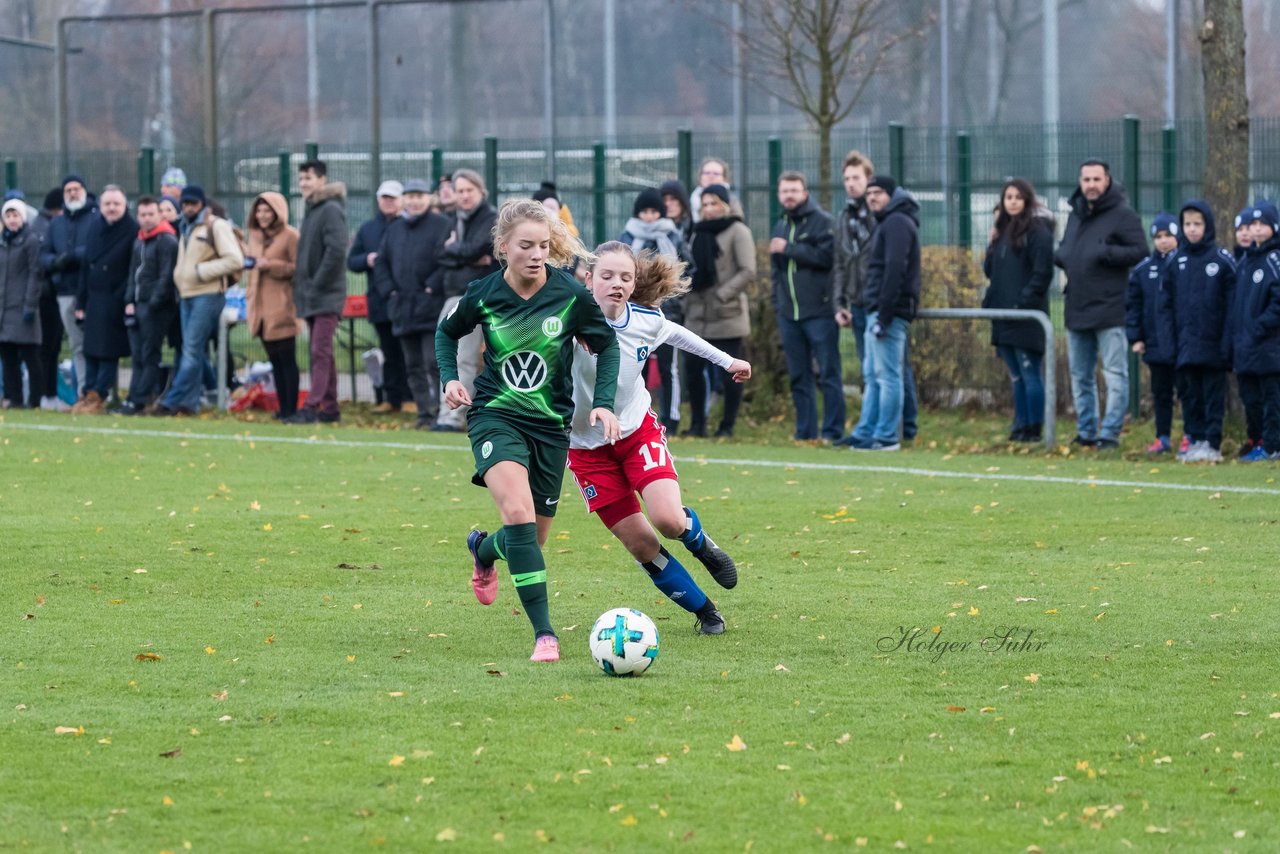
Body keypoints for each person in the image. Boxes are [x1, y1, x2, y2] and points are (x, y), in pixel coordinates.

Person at [437, 199, 620, 663]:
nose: (537, 254)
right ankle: (545, 635)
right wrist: (450, 378)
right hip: (495, 415)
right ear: (503, 247)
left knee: (529, 540)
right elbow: (447, 332)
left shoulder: (570, 295)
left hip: (551, 427)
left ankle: (484, 549)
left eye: (544, 245)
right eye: (526, 245)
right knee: (517, 513)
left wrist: (601, 403)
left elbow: (607, 345)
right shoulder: (482, 293)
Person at [567, 243, 750, 635]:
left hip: (635, 433)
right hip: (586, 451)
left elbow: (681, 337)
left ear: (634, 284)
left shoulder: (645, 320)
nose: (616, 284)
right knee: (642, 545)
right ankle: (707, 612)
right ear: (588, 279)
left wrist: (728, 361)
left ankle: (699, 541)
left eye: (625, 277)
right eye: (607, 276)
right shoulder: (566, 321)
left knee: (668, 520)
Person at [1055, 159, 1147, 449]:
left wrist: (1105, 252)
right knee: (1080, 376)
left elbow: (1140, 251)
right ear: (1080, 182)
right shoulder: (1075, 215)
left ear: (1107, 181)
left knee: (1115, 374)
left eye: (1097, 179)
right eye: (1086, 180)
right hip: (1077, 307)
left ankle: (1109, 433)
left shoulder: (1123, 215)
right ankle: (1086, 432)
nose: (1091, 185)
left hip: (1110, 309)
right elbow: (1070, 249)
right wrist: (1063, 255)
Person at [151, 185, 243, 416]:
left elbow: (234, 260)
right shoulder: (186, 226)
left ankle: (171, 400)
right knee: (192, 349)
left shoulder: (216, 226)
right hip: (188, 295)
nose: (188, 208)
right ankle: (188, 403)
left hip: (208, 294)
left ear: (202, 204)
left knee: (191, 349)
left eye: (193, 203)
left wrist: (201, 271)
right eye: (185, 203)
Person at [844, 176, 920, 451]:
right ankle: (866, 432)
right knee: (873, 375)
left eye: (878, 193)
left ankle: (887, 436)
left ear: (891, 195)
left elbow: (894, 269)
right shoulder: (887, 222)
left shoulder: (897, 222)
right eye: (870, 193)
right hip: (876, 308)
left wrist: (885, 315)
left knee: (887, 375)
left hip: (888, 311)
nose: (872, 197)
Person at [770, 170, 844, 442]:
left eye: (794, 190)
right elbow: (776, 272)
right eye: (784, 191)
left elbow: (828, 257)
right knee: (799, 376)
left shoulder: (823, 222)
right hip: (789, 315)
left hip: (820, 312)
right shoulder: (780, 225)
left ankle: (834, 433)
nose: (789, 195)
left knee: (829, 374)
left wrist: (789, 249)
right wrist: (777, 304)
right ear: (779, 195)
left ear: (805, 193)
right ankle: (805, 433)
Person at [983, 178, 1055, 442]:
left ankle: (1035, 429)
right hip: (1002, 315)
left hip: (1025, 316)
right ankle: (1020, 425)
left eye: (1017, 197)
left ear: (1027, 200)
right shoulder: (1002, 232)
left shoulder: (1038, 232)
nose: (1012, 201)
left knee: (1029, 371)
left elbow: (1042, 273)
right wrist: (991, 245)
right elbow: (990, 271)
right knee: (1016, 376)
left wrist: (1022, 303)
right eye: (1008, 197)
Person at [1165, 201, 1237, 463]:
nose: (1192, 229)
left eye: (1197, 224)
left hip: (1214, 347)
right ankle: (1194, 440)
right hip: (1184, 347)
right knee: (1190, 395)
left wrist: (1227, 343)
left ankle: (1213, 442)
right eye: (1187, 224)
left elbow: (1232, 308)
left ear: (1207, 226)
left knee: (1213, 396)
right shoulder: (1175, 262)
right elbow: (1165, 305)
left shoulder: (1223, 261)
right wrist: (1169, 343)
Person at [378, 179, 451, 429]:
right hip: (403, 308)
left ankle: (445, 413)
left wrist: (433, 286)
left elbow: (448, 260)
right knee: (413, 366)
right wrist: (390, 291)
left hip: (431, 307)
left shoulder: (442, 225)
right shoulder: (395, 228)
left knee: (434, 363)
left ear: (428, 198)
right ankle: (424, 413)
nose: (414, 200)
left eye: (419, 195)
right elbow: (382, 263)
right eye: (410, 196)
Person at [620, 187, 693, 434]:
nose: (649, 216)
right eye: (644, 211)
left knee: (668, 368)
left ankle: (671, 420)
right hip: (630, 313)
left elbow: (687, 269)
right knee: (631, 366)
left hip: (667, 312)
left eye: (654, 211)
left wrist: (668, 295)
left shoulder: (672, 237)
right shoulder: (627, 237)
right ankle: (632, 418)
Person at [684, 184, 754, 437]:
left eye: (714, 203)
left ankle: (727, 426)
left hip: (727, 314)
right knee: (692, 369)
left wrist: (722, 295)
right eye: (705, 204)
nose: (709, 209)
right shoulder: (694, 231)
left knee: (730, 372)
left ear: (725, 205)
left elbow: (748, 271)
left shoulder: (738, 231)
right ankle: (698, 424)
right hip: (697, 314)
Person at [433, 168, 499, 432]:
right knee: (453, 355)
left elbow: (480, 249)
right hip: (457, 294)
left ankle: (453, 416)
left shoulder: (490, 218)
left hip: (476, 296)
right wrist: (464, 256)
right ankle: (451, 413)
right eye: (459, 191)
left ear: (480, 191)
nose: (464, 196)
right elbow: (439, 254)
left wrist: (457, 251)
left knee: (466, 357)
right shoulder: (454, 219)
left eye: (468, 190)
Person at [288, 159, 348, 425]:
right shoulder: (313, 210)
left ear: (322, 179)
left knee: (319, 352)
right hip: (313, 294)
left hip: (325, 295)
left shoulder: (330, 209)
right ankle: (330, 408)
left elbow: (336, 251)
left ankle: (312, 406)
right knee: (323, 352)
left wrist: (316, 284)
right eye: (301, 179)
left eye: (309, 178)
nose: (304, 184)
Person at [348, 180, 411, 414]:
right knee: (389, 351)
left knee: (409, 351)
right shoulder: (367, 229)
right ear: (378, 200)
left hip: (407, 300)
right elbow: (352, 261)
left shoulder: (408, 225)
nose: (388, 202)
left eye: (392, 198)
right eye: (384, 197)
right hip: (379, 300)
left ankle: (410, 398)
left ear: (401, 200)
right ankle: (391, 399)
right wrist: (368, 259)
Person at [72, 185, 136, 414]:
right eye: (107, 204)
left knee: (109, 351)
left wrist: (122, 297)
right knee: (91, 349)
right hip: (94, 298)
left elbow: (132, 268)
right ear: (100, 206)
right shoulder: (95, 228)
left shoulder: (132, 230)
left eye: (116, 204)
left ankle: (99, 394)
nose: (111, 208)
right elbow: (85, 267)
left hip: (115, 299)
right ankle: (88, 392)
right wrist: (81, 302)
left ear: (124, 205)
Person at [1227, 203, 1280, 462]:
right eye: (1252, 225)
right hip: (1246, 347)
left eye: (1262, 225)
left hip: (1269, 347)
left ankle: (1272, 446)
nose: (1256, 230)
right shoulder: (1246, 261)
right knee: (1251, 398)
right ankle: (1256, 440)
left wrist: (1260, 327)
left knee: (1272, 398)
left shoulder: (1274, 260)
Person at [1124, 213, 1180, 453]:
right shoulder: (1142, 270)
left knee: (1189, 393)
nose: (1164, 241)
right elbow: (1133, 306)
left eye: (1168, 235)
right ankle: (1163, 438)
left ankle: (1193, 437)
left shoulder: (1185, 264)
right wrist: (1136, 337)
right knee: (1161, 393)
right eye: (1158, 236)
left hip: (1182, 344)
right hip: (1155, 344)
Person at [244, 191, 301, 421]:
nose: (262, 215)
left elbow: (298, 268)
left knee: (287, 359)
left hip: (282, 305)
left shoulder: (290, 236)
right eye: (259, 210)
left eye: (267, 210)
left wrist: (271, 265)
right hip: (260, 307)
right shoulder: (255, 236)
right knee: (274, 360)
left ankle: (292, 409)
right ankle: (282, 408)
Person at [121, 195, 179, 414]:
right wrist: (129, 300)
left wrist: (154, 302)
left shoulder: (167, 240)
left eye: (150, 214)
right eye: (142, 215)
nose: (146, 219)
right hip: (137, 304)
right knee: (137, 353)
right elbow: (132, 273)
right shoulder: (138, 240)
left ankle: (141, 398)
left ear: (159, 215)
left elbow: (166, 276)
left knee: (149, 353)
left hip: (156, 307)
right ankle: (132, 396)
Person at [39, 175, 97, 393]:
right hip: (64, 291)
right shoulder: (56, 223)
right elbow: (44, 255)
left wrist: (72, 257)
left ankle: (100, 391)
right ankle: (84, 392)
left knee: (95, 344)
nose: (73, 193)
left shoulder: (95, 218)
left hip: (91, 291)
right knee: (76, 345)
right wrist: (56, 262)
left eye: (76, 188)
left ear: (84, 190)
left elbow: (96, 249)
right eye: (68, 190)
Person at [832, 151, 877, 384]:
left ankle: (907, 422)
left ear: (869, 178)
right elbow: (840, 263)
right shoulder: (843, 218)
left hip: (879, 303)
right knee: (867, 368)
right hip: (857, 304)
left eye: (856, 178)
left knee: (891, 369)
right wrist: (840, 303)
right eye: (847, 179)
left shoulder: (878, 215)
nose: (851, 183)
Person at [0, 198, 44, 408]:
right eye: (8, 216)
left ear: (23, 217)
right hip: (4, 309)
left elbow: (35, 274)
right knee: (8, 356)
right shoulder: (2, 242)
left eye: (15, 215)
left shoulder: (31, 241)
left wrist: (30, 305)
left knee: (30, 355)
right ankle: (14, 397)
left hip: (23, 307)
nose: (12, 220)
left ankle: (35, 399)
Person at [32, 188, 66, 410]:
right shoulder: (45, 227)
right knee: (47, 348)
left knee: (49, 348)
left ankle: (47, 394)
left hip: (48, 294)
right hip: (46, 295)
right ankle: (44, 395)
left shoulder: (40, 224)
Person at [690, 157, 734, 223]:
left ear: (724, 178)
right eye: (707, 173)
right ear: (700, 177)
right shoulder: (692, 200)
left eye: (716, 173)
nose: (711, 176)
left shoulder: (732, 202)